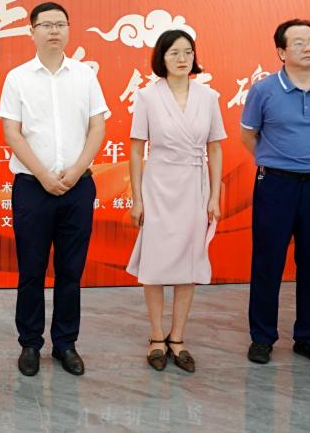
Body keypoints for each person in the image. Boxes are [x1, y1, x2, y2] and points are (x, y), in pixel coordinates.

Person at [0, 1, 108, 377]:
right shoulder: (17, 78)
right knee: (31, 270)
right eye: (46, 25)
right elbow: (12, 131)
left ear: (69, 30)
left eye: (60, 24)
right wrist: (44, 174)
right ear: (31, 32)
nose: (54, 31)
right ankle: (30, 344)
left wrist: (76, 171)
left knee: (70, 270)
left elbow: (97, 126)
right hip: (32, 187)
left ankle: (65, 343)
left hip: (78, 187)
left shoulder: (85, 75)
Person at [241, 18, 310, 369]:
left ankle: (309, 338)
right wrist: (278, 161)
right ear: (281, 52)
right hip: (275, 185)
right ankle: (262, 337)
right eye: (299, 42)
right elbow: (248, 136)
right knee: (268, 262)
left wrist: (309, 161)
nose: (309, 47)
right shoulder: (264, 90)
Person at [126, 29, 225, 373]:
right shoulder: (147, 97)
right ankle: (156, 336)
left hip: (195, 186)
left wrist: (214, 196)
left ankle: (178, 337)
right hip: (158, 186)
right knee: (155, 264)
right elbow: (136, 150)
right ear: (161, 58)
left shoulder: (208, 97)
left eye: (188, 52)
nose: (182, 59)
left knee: (189, 263)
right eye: (174, 53)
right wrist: (137, 198)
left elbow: (215, 148)